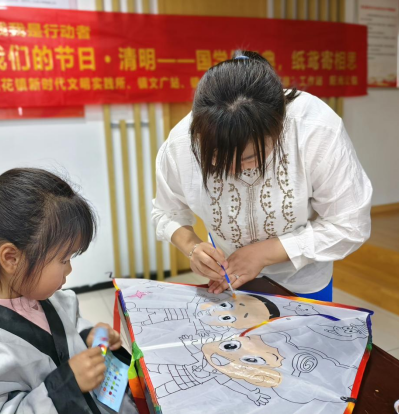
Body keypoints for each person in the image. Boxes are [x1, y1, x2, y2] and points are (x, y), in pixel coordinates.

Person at [152, 50, 372, 301]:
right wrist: (193, 249)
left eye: (248, 159)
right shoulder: (181, 143)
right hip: (229, 281)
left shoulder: (313, 129)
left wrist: (263, 254)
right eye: (216, 160)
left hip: (301, 283)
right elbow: (166, 213)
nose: (232, 171)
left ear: (279, 129)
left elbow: (350, 224)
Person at [0, 168, 138, 413]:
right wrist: (65, 387)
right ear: (11, 258)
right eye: (64, 259)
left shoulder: (50, 301)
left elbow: (67, 329)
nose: (69, 270)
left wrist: (87, 335)